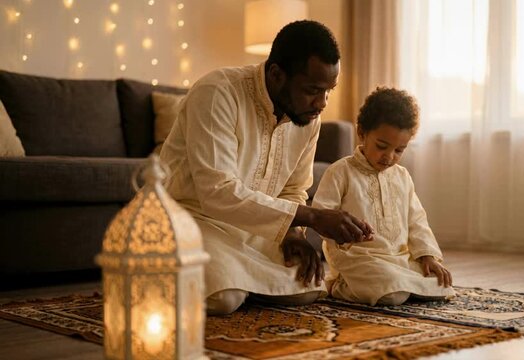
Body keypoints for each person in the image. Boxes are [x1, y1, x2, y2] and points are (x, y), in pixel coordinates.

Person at [159, 20, 373, 315]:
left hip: (251, 232)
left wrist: (293, 235)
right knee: (224, 299)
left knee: (306, 288)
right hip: (189, 220)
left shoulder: (310, 119)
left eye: (328, 91)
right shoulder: (217, 92)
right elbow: (217, 192)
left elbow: (293, 188)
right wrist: (312, 216)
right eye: (312, 89)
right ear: (276, 74)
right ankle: (160, 271)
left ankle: (236, 276)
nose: (322, 102)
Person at [312, 87, 456, 306]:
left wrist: (427, 256)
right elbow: (322, 216)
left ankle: (401, 284)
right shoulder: (340, 172)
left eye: (399, 150)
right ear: (362, 133)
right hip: (360, 260)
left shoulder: (402, 176)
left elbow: (416, 221)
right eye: (382, 146)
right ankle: (341, 285)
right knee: (392, 293)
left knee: (439, 285)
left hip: (400, 260)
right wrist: (344, 237)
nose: (389, 157)